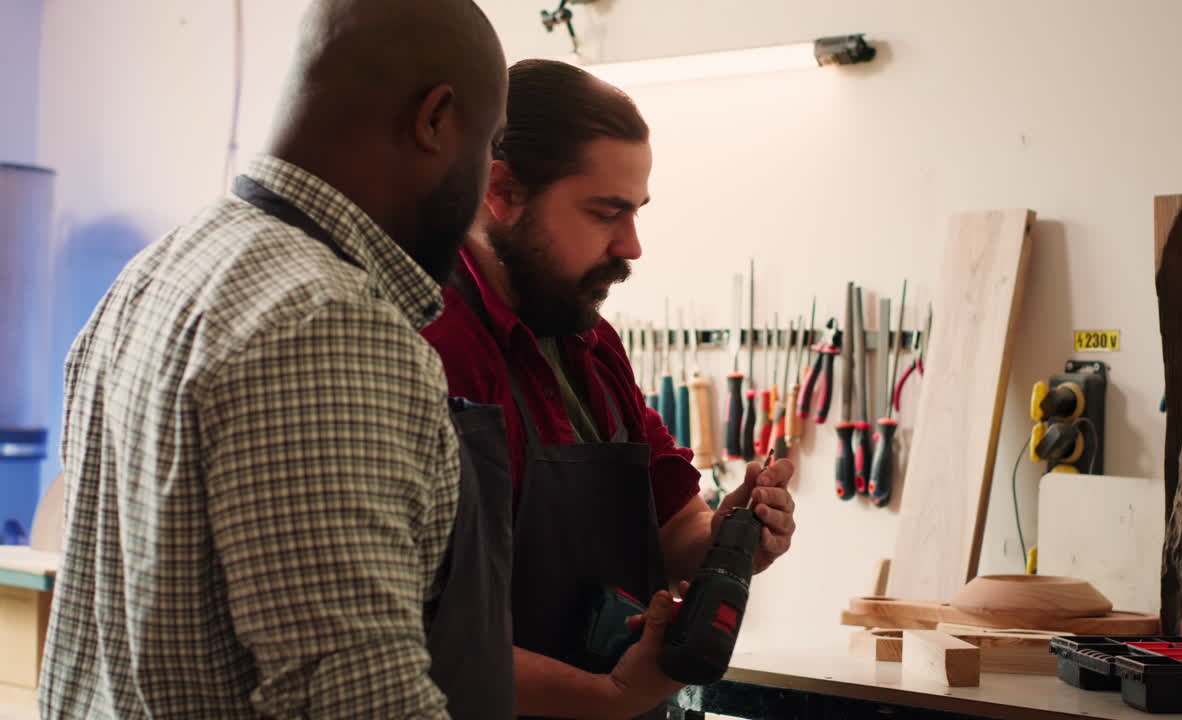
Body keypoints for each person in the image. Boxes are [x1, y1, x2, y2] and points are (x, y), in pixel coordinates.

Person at [38, 0, 511, 717]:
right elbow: (360, 700)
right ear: (435, 119)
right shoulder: (328, 323)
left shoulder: (153, 274)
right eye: (488, 143)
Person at [422, 58, 799, 719]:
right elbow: (420, 632)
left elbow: (675, 525)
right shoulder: (432, 345)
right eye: (605, 213)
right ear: (502, 191)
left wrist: (733, 536)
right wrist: (604, 699)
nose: (631, 245)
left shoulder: (591, 342)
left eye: (636, 213)